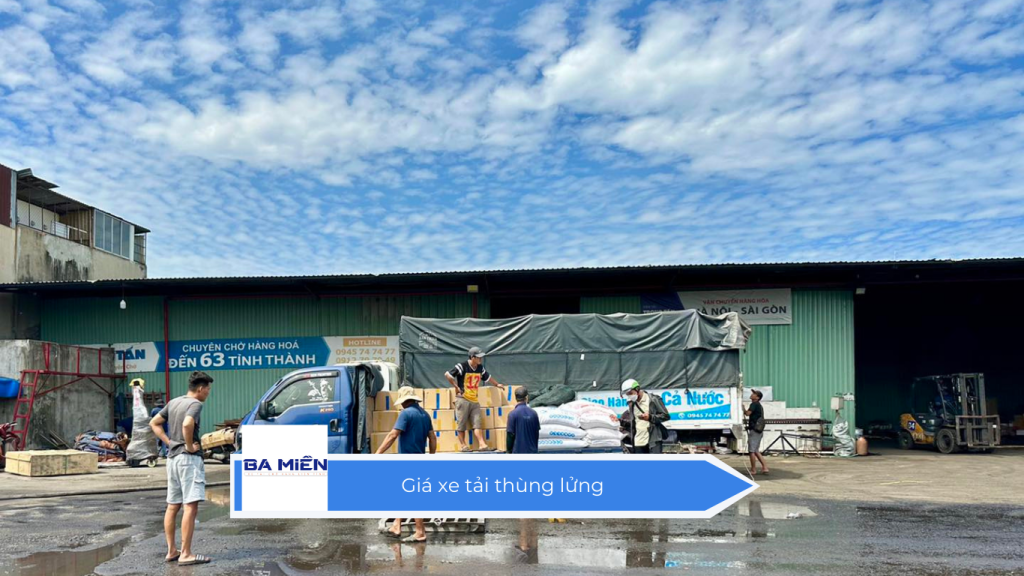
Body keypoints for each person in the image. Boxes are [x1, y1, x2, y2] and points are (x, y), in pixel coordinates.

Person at [149, 371, 213, 566]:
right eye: (208, 389)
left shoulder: (174, 402)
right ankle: (186, 554)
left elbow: (154, 423)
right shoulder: (195, 404)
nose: (208, 393)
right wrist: (189, 445)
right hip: (188, 460)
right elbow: (187, 424)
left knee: (172, 505)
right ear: (200, 389)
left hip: (173, 460)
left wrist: (169, 442)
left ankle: (171, 551)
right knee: (190, 506)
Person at [375, 386, 436, 543]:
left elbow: (393, 435)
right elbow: (432, 438)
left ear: (405, 400)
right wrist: (432, 457)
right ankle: (397, 525)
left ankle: (420, 532)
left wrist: (378, 453)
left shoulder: (406, 413)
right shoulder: (425, 414)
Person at [445, 346, 506, 452]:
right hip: (463, 399)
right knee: (461, 424)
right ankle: (463, 446)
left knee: (477, 423)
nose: (480, 359)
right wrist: (456, 386)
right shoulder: (462, 366)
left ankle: (482, 445)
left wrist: (497, 384)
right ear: (472, 357)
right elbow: (448, 375)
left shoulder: (480, 368)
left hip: (474, 400)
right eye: (478, 357)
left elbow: (488, 377)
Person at [619, 379, 670, 454]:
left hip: (653, 440)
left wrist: (650, 417)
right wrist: (620, 421)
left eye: (630, 393)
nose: (629, 396)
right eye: (627, 394)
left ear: (637, 389)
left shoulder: (653, 399)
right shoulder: (631, 403)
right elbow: (634, 423)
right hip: (638, 441)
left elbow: (665, 416)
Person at [506, 387, 540, 454]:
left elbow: (510, 435)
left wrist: (508, 451)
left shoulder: (512, 414)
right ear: (526, 397)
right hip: (532, 452)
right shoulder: (534, 413)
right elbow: (536, 433)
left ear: (516, 398)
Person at [744, 389, 769, 475]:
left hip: (754, 430)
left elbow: (748, 413)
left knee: (752, 451)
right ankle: (765, 467)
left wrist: (743, 409)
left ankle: (753, 469)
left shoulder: (754, 404)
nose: (751, 395)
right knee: (756, 450)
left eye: (754, 394)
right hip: (758, 430)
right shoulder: (759, 405)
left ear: (757, 397)